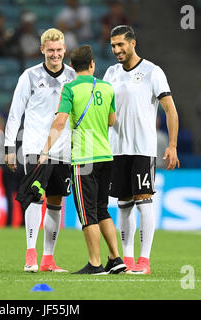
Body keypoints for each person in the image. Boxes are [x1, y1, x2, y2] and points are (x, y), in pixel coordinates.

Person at [39, 45, 126, 275]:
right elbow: (111, 120)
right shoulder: (107, 88)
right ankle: (116, 259)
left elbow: (60, 122)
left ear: (72, 66)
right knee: (102, 209)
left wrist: (45, 149)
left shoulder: (69, 88)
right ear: (92, 64)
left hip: (84, 158)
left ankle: (95, 264)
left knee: (88, 214)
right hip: (106, 155)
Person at [103, 25, 180, 274]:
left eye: (120, 45)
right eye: (113, 45)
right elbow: (102, 110)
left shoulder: (152, 71)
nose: (116, 50)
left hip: (142, 148)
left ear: (133, 43)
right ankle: (128, 259)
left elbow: (170, 110)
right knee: (123, 203)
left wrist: (172, 145)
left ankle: (144, 260)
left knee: (143, 200)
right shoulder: (111, 73)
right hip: (116, 149)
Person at [4, 28, 76, 273]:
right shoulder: (29, 76)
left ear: (64, 49)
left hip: (64, 149)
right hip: (35, 147)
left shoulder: (74, 76)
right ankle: (30, 255)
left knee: (56, 202)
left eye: (59, 50)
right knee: (36, 198)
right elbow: (15, 113)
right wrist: (9, 147)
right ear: (42, 49)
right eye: (51, 50)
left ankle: (48, 258)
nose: (55, 55)